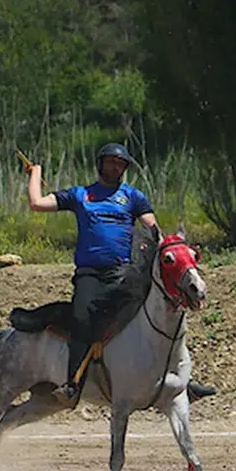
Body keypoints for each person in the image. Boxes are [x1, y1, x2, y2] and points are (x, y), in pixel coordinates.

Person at [25, 142, 159, 406]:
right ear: (100, 165)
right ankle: (73, 384)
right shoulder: (80, 195)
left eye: (120, 164)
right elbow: (37, 203)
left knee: (155, 314)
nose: (115, 167)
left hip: (122, 273)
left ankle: (176, 379)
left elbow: (154, 230)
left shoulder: (133, 197)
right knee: (82, 317)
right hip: (90, 274)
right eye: (111, 162)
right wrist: (35, 173)